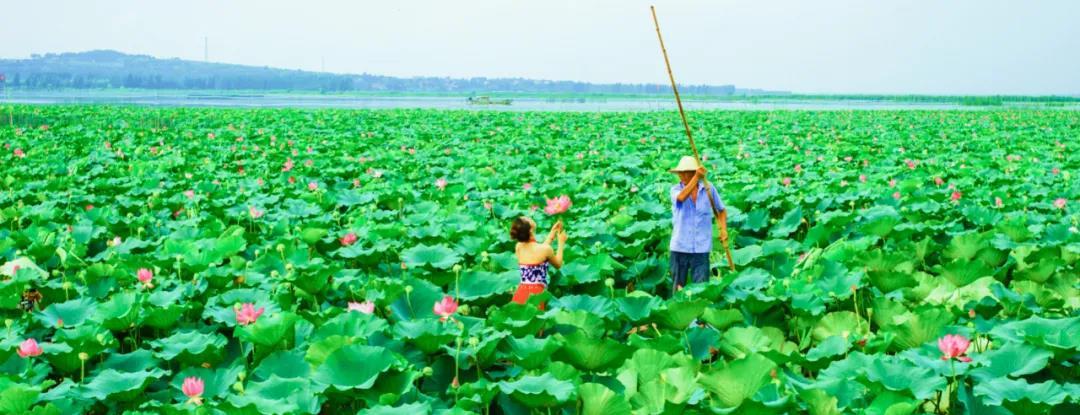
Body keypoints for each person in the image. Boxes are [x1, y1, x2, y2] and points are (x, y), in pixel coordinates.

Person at [668, 155, 728, 293]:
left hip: (702, 248)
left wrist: (723, 230)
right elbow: (681, 197)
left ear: (694, 172)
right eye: (680, 172)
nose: (682, 176)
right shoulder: (675, 190)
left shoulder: (708, 189)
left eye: (686, 172)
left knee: (701, 290)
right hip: (680, 247)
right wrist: (696, 177)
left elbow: (721, 210)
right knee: (678, 288)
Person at [509, 216, 566, 310]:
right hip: (536, 294)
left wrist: (552, 233)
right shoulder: (545, 250)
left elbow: (540, 251)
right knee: (536, 318)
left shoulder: (518, 246)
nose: (527, 217)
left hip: (521, 292)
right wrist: (561, 243)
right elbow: (558, 264)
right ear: (530, 230)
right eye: (526, 219)